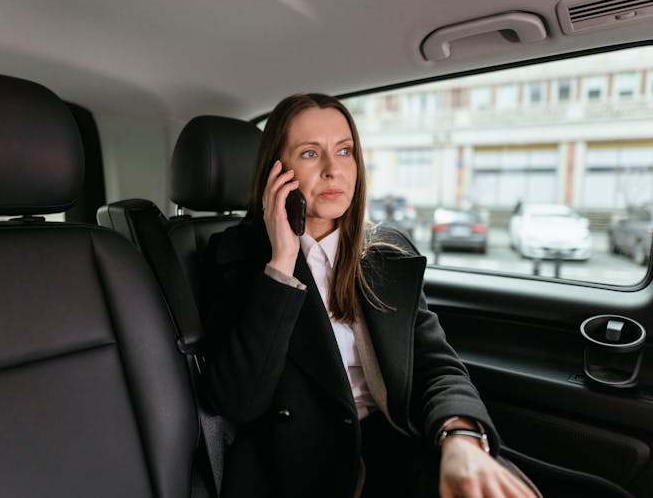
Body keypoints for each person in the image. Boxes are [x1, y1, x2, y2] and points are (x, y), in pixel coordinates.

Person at [202, 93, 537, 498]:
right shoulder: (235, 254)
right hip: (298, 464)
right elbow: (240, 401)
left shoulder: (387, 250)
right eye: (310, 153)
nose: (333, 170)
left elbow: (436, 365)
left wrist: (461, 436)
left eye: (344, 151)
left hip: (394, 448)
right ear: (277, 169)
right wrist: (283, 261)